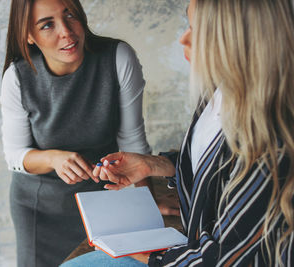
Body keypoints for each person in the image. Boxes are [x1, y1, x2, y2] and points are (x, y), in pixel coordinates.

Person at [61, 0, 294, 266]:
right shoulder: (217, 94)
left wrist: (146, 255)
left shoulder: (271, 143)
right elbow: (217, 165)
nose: (184, 38)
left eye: (200, 30)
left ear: (241, 40)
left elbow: (221, 257)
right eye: (189, 24)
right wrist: (154, 164)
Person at [0, 0, 152, 266]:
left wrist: (146, 209)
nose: (67, 32)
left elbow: (133, 143)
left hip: (105, 202)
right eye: (47, 25)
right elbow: (14, 155)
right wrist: (53, 159)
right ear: (28, 35)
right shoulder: (17, 77)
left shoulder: (117, 57)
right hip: (40, 211)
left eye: (70, 15)